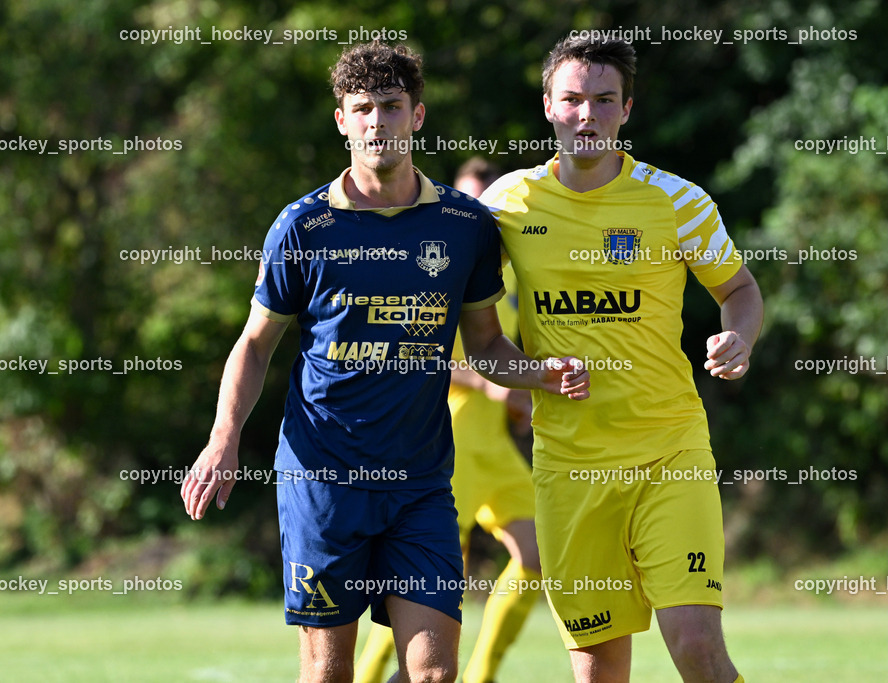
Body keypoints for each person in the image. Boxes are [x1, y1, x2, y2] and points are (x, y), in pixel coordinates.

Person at [180, 41, 590, 683]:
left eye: (392, 107)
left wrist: (541, 372)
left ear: (417, 116)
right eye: (363, 108)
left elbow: (485, 346)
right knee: (329, 673)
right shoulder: (303, 227)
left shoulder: (465, 225)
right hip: (324, 477)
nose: (378, 122)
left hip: (422, 482)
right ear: (342, 120)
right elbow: (255, 343)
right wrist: (223, 439)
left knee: (432, 672)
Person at [480, 36, 763, 683]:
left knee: (695, 645)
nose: (588, 115)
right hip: (569, 467)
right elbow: (482, 344)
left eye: (604, 100)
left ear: (626, 109)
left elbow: (739, 289)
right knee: (600, 668)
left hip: (671, 451)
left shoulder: (678, 201)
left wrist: (738, 337)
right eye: (573, 99)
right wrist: (536, 373)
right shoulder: (504, 208)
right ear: (548, 106)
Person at [354, 158, 543, 683]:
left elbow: (500, 359)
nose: (480, 211)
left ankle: (481, 675)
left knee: (535, 558)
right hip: (447, 443)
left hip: (493, 448)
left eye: (488, 202)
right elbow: (416, 353)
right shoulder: (435, 268)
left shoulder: (507, 287)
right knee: (429, 588)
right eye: (469, 200)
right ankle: (366, 677)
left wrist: (519, 400)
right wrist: (481, 380)